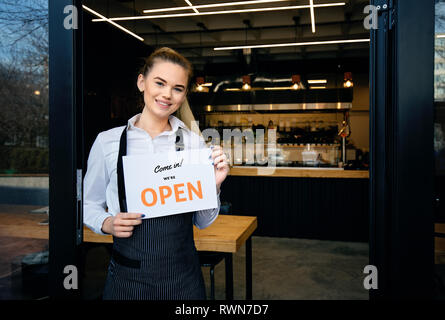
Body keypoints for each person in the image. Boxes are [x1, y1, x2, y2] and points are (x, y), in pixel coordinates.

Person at [83, 47, 229, 300]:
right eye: (159, 83)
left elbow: (202, 222)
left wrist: (213, 186)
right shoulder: (108, 142)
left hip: (184, 280)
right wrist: (107, 223)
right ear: (142, 82)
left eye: (177, 88)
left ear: (183, 95)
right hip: (127, 279)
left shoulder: (193, 144)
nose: (167, 94)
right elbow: (88, 204)